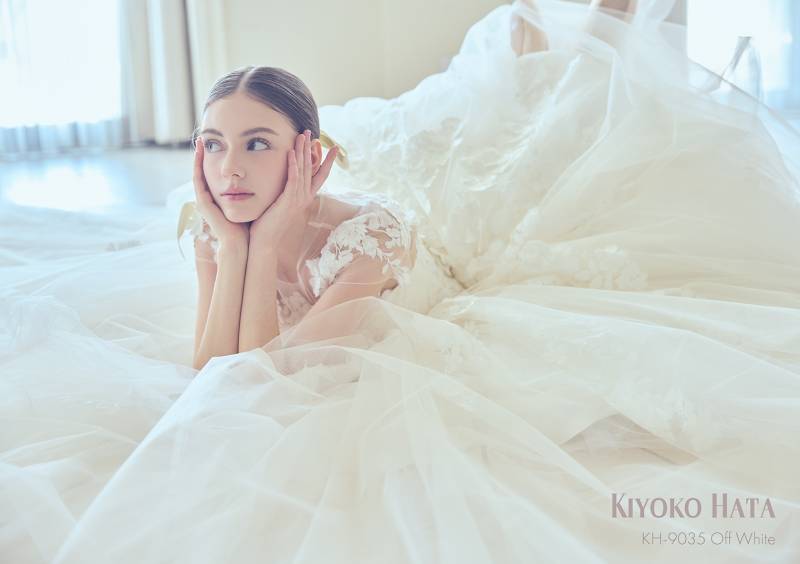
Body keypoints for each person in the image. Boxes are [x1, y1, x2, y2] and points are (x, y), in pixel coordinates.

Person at [3, 0, 800, 562]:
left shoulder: (371, 241)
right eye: (213, 144)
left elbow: (265, 378)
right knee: (506, 116)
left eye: (257, 143)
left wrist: (271, 238)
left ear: (306, 153)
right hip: (328, 222)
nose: (229, 170)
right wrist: (239, 248)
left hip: (440, 241)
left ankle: (586, 27)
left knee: (547, 131)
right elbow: (212, 373)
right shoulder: (218, 223)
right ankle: (531, 34)